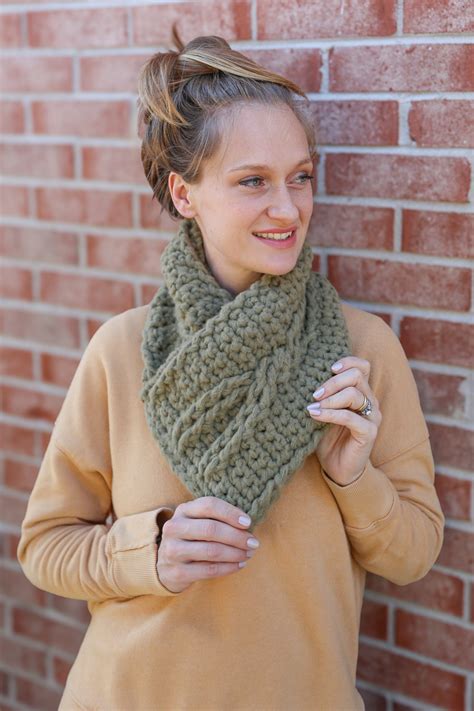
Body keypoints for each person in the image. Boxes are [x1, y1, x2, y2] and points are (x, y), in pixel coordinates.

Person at [17, 27, 444, 711]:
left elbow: (414, 553)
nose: (288, 208)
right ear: (185, 194)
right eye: (253, 181)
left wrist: (352, 477)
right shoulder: (121, 351)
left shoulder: (359, 351)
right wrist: (148, 551)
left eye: (300, 177)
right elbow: (45, 545)